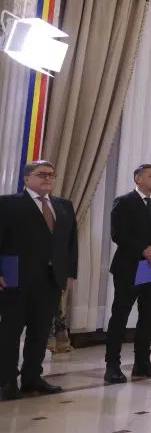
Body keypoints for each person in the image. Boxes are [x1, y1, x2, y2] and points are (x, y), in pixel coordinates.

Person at [0, 160, 77, 400]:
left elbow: (71, 244)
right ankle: (6, 381)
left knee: (40, 333)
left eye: (51, 175)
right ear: (26, 178)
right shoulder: (8, 204)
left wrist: (71, 273)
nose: (47, 178)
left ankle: (32, 378)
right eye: (41, 174)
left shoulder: (64, 206)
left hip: (51, 280)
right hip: (16, 279)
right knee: (10, 333)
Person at [104, 164, 151, 384]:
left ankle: (142, 362)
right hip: (129, 266)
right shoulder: (124, 202)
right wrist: (143, 249)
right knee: (120, 315)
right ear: (137, 178)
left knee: (148, 316)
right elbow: (118, 234)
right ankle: (112, 365)